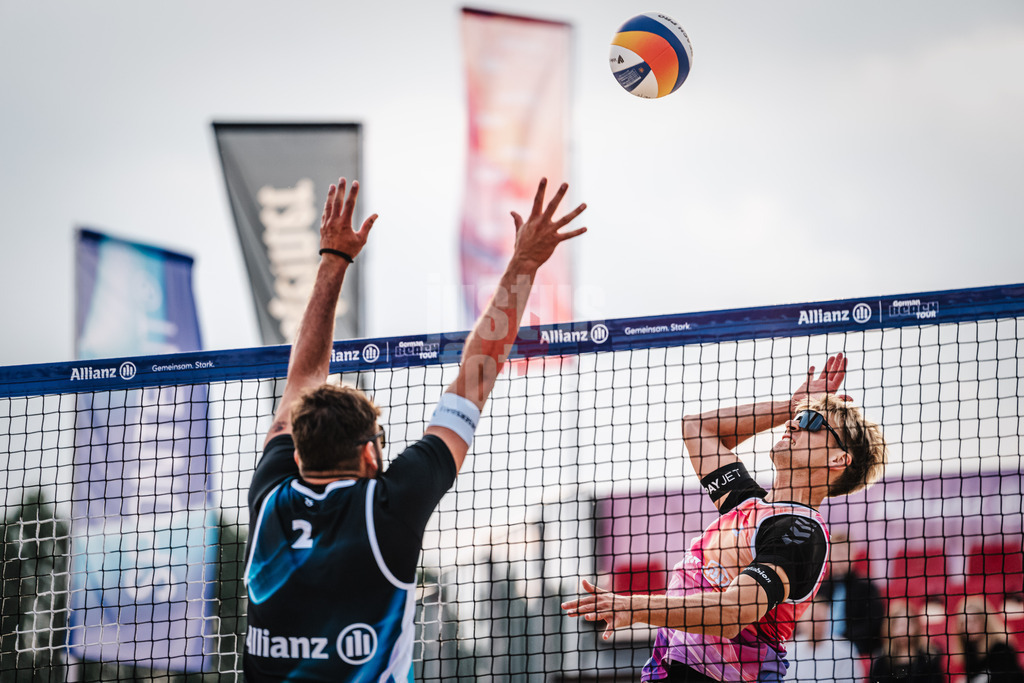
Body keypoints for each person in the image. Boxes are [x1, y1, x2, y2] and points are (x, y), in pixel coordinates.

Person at [243, 177, 586, 681]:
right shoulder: (388, 509)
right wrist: (526, 263)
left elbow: (303, 376)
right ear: (368, 455)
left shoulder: (269, 495)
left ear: (296, 455)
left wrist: (333, 259)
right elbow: (478, 371)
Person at [562, 353, 889, 682]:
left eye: (810, 422)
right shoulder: (749, 504)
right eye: (799, 418)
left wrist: (633, 607)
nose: (793, 425)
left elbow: (731, 612)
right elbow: (696, 427)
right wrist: (792, 405)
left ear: (838, 459)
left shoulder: (801, 532)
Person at [820, 529, 885, 656]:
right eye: (836, 554)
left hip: (854, 651)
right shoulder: (820, 589)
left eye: (844, 554)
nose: (840, 559)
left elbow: (872, 625)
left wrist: (841, 640)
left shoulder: (867, 588)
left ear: (853, 556)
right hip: (821, 649)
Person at [868, 599, 943, 683]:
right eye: (898, 625)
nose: (903, 630)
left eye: (907, 624)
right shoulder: (882, 661)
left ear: (916, 626)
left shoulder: (929, 657)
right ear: (889, 629)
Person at [788, 596, 859, 683]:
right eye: (813, 619)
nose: (817, 625)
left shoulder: (845, 650)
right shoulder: (789, 651)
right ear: (800, 620)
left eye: (821, 620)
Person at [955, 595, 1024, 683]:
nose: (968, 627)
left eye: (973, 621)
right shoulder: (970, 649)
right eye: (963, 623)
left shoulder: (1002, 649)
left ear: (985, 621)